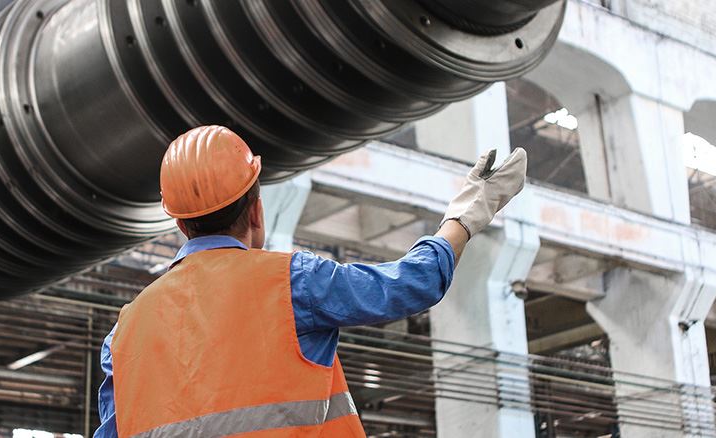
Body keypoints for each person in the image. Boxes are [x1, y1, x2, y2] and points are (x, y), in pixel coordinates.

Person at [95, 125, 527, 437]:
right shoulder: (293, 282)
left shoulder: (124, 334)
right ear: (256, 210)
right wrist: (468, 213)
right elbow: (411, 283)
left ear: (180, 224)